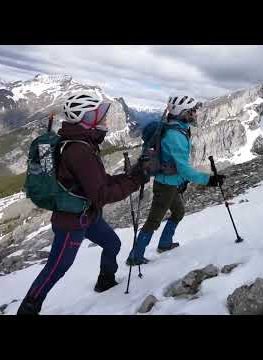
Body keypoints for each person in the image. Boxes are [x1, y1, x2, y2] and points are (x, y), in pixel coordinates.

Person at [17, 92, 147, 315]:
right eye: (98, 115)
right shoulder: (79, 150)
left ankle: (105, 282)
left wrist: (132, 175)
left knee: (112, 244)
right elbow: (101, 194)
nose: (104, 120)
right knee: (57, 268)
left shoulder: (83, 144)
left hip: (87, 215)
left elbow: (100, 181)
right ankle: (28, 309)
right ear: (84, 118)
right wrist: (136, 180)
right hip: (72, 222)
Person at [126, 95, 225, 266]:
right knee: (153, 221)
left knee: (178, 212)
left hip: (170, 182)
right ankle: (135, 256)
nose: (195, 113)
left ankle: (164, 244)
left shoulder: (177, 128)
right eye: (192, 111)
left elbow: (175, 164)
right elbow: (184, 168)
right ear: (182, 113)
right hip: (165, 185)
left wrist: (180, 181)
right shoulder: (175, 135)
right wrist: (208, 180)